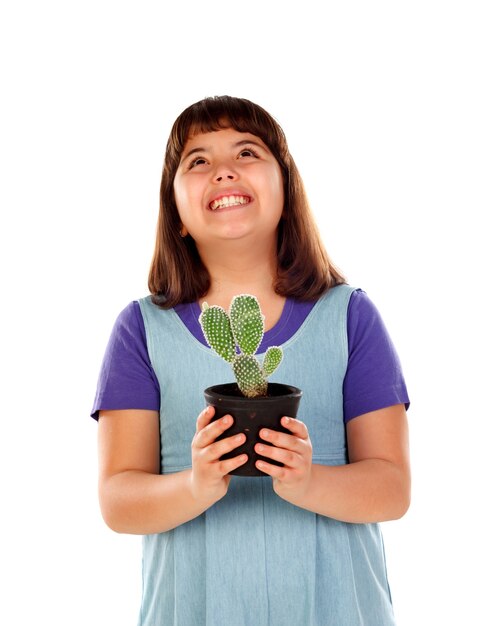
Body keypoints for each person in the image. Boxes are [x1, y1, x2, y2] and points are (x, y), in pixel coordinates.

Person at [91, 95, 411, 626]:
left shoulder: (350, 317)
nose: (223, 171)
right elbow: (118, 500)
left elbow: (393, 488)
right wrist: (194, 485)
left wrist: (310, 482)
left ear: (286, 190)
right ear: (177, 214)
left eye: (247, 152)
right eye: (198, 161)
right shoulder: (140, 331)